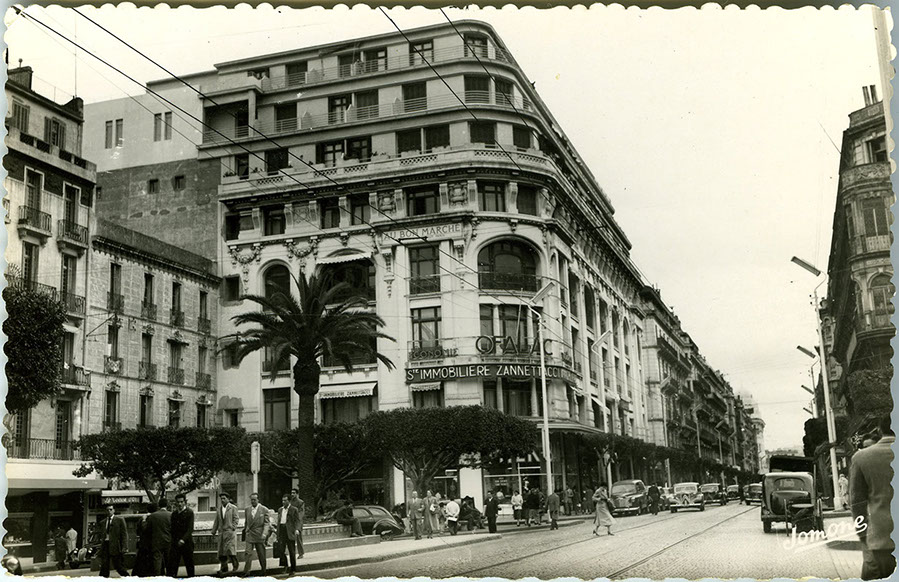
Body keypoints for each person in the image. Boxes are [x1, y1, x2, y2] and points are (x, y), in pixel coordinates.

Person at [850, 415, 896, 580]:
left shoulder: (861, 458)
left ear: (880, 430)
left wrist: (863, 535)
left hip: (881, 538)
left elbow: (857, 502)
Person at [211, 492, 240, 575]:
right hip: (221, 533)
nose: (222, 500)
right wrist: (213, 531)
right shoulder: (219, 509)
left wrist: (233, 527)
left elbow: (236, 518)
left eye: (224, 498)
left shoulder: (233, 508)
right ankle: (224, 568)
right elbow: (217, 521)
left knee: (230, 551)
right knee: (222, 552)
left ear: (228, 499)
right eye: (221, 499)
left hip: (230, 533)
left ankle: (235, 566)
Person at [272, 494, 302, 574]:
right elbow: (279, 521)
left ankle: (293, 569)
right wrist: (277, 531)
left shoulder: (294, 509)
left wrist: (297, 529)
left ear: (289, 501)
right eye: (282, 500)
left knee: (291, 551)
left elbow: (297, 521)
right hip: (282, 531)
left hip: (289, 531)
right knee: (281, 550)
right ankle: (285, 566)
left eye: (285, 500)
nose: (283, 502)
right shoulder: (280, 510)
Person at [242, 492, 271, 576]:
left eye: (254, 500)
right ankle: (247, 571)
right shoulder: (247, 509)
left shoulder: (264, 509)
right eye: (251, 500)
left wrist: (264, 533)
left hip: (259, 535)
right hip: (250, 534)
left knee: (261, 554)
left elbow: (266, 523)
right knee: (248, 553)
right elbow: (246, 522)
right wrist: (246, 530)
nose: (252, 501)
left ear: (258, 500)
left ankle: (263, 570)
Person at [98, 504, 129, 577]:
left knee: (118, 565)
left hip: (116, 545)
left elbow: (124, 534)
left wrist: (124, 547)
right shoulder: (103, 522)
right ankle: (103, 578)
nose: (109, 511)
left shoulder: (119, 520)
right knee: (104, 565)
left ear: (114, 510)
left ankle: (127, 577)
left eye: (111, 509)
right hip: (105, 545)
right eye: (107, 510)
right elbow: (102, 535)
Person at [168, 493, 195, 577]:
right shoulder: (174, 514)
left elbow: (190, 529)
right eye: (178, 502)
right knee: (173, 565)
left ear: (185, 502)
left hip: (186, 542)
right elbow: (172, 529)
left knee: (189, 564)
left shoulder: (189, 512)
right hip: (176, 543)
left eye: (181, 502)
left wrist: (183, 539)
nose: (179, 504)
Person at [145, 497, 172, 576]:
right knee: (169, 561)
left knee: (157, 561)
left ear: (159, 505)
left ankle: (157, 577)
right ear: (167, 505)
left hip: (156, 541)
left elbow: (148, 529)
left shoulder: (153, 516)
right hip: (168, 541)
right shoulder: (171, 515)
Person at [132, 505, 155, 577]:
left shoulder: (142, 519)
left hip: (143, 544)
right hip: (153, 543)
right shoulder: (155, 518)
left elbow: (138, 531)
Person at [288, 489, 306, 560]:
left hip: (298, 522)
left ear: (297, 494)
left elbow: (301, 512)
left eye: (294, 493)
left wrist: (298, 520)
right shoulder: (290, 502)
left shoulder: (301, 502)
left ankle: (301, 553)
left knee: (299, 538)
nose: (292, 494)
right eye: (291, 493)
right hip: (290, 522)